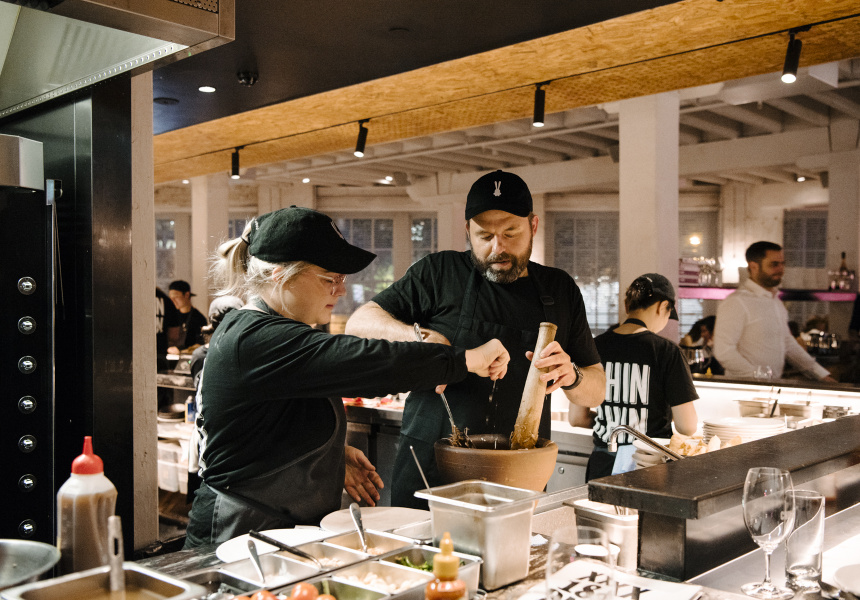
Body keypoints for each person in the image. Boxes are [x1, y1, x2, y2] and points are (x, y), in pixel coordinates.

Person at [184, 206, 510, 547]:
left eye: (343, 279)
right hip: (235, 531)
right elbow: (369, 362)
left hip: (271, 529)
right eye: (330, 278)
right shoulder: (256, 337)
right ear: (280, 275)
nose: (340, 291)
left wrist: (328, 457)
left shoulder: (269, 332)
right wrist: (466, 359)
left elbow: (265, 426)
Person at [345, 170, 605, 508]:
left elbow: (596, 391)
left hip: (516, 481)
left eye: (511, 233)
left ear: (533, 225)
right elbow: (359, 323)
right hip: (430, 474)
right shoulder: (440, 272)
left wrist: (573, 375)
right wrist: (424, 338)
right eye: (485, 236)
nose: (498, 248)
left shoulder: (559, 289)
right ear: (468, 231)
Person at [569, 274, 699, 480]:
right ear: (662, 307)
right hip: (649, 466)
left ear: (627, 305)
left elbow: (577, 418)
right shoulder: (667, 351)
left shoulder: (594, 346)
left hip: (603, 464)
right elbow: (687, 426)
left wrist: (614, 422)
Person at [713, 241, 834, 382]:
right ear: (753, 266)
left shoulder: (775, 301)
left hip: (771, 386)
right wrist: (760, 377)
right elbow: (724, 352)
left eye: (782, 264)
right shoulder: (737, 302)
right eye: (774, 264)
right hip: (746, 388)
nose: (781, 269)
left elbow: (788, 344)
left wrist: (822, 375)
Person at [167, 280, 208, 353]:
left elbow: (200, 345)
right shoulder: (171, 316)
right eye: (171, 298)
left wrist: (182, 351)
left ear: (187, 295)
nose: (172, 301)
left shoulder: (199, 318)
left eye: (176, 297)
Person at [155, 287, 180, 371]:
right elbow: (174, 335)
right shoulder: (165, 300)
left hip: (132, 356)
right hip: (159, 357)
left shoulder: (133, 297)